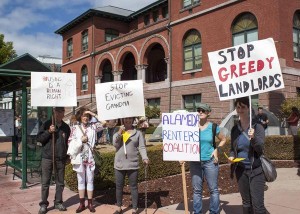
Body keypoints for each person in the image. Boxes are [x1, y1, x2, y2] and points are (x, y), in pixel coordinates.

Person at [229, 97, 266, 214]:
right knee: (246, 203)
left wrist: (253, 138)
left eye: (243, 107)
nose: (240, 110)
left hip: (255, 171)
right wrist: (231, 156)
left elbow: (260, 149)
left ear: (249, 108)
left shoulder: (257, 126)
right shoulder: (235, 129)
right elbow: (232, 149)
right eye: (238, 107)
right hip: (240, 171)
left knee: (258, 206)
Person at [190, 103, 226, 214]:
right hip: (195, 162)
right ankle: (197, 212)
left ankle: (214, 211)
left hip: (210, 162)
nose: (200, 112)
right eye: (198, 110)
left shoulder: (213, 127)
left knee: (213, 189)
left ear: (208, 113)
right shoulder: (190, 126)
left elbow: (223, 139)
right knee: (197, 191)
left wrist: (217, 150)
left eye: (203, 110)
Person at [67, 107, 106, 213]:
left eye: (87, 116)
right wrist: (80, 141)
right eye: (84, 115)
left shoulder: (93, 127)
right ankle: (81, 204)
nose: (86, 118)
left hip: (90, 157)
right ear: (80, 116)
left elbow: (105, 123)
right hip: (79, 158)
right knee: (80, 181)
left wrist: (92, 113)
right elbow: (70, 143)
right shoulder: (74, 128)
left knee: (90, 180)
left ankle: (90, 204)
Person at [36, 107, 71, 214]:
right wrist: (48, 131)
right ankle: (43, 204)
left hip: (60, 158)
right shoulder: (47, 124)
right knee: (45, 182)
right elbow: (39, 139)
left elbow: (67, 143)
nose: (59, 113)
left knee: (60, 183)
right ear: (54, 112)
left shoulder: (66, 127)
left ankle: (58, 202)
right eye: (57, 111)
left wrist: (67, 156)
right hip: (47, 157)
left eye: (61, 111)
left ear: (64, 113)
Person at [112, 117, 149, 214]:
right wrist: (120, 133)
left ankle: (134, 208)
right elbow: (115, 144)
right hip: (119, 164)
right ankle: (119, 207)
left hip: (133, 164)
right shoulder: (117, 131)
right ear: (123, 120)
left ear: (133, 120)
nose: (127, 120)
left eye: (129, 119)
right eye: (126, 119)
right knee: (119, 186)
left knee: (133, 186)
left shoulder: (138, 133)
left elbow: (141, 147)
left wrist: (144, 157)